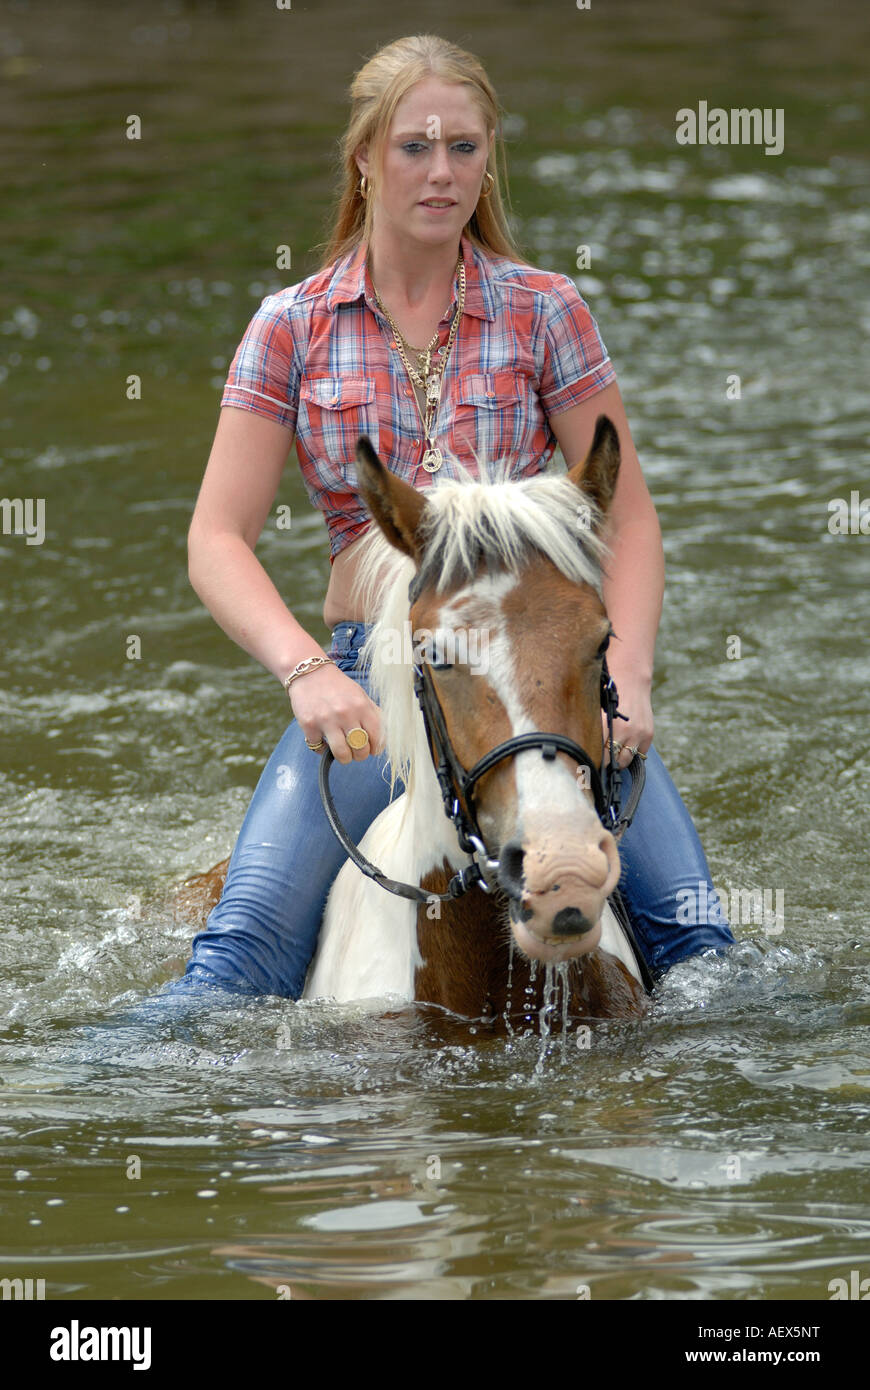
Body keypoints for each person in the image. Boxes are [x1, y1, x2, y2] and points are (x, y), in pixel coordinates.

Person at [170, 34, 733, 1002]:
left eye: (463, 148)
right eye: (414, 147)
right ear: (364, 157)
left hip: (540, 677)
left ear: (488, 159)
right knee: (237, 955)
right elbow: (215, 538)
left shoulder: (546, 310)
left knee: (701, 946)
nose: (442, 172)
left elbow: (630, 518)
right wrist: (308, 674)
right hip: (370, 676)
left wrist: (629, 676)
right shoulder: (290, 326)